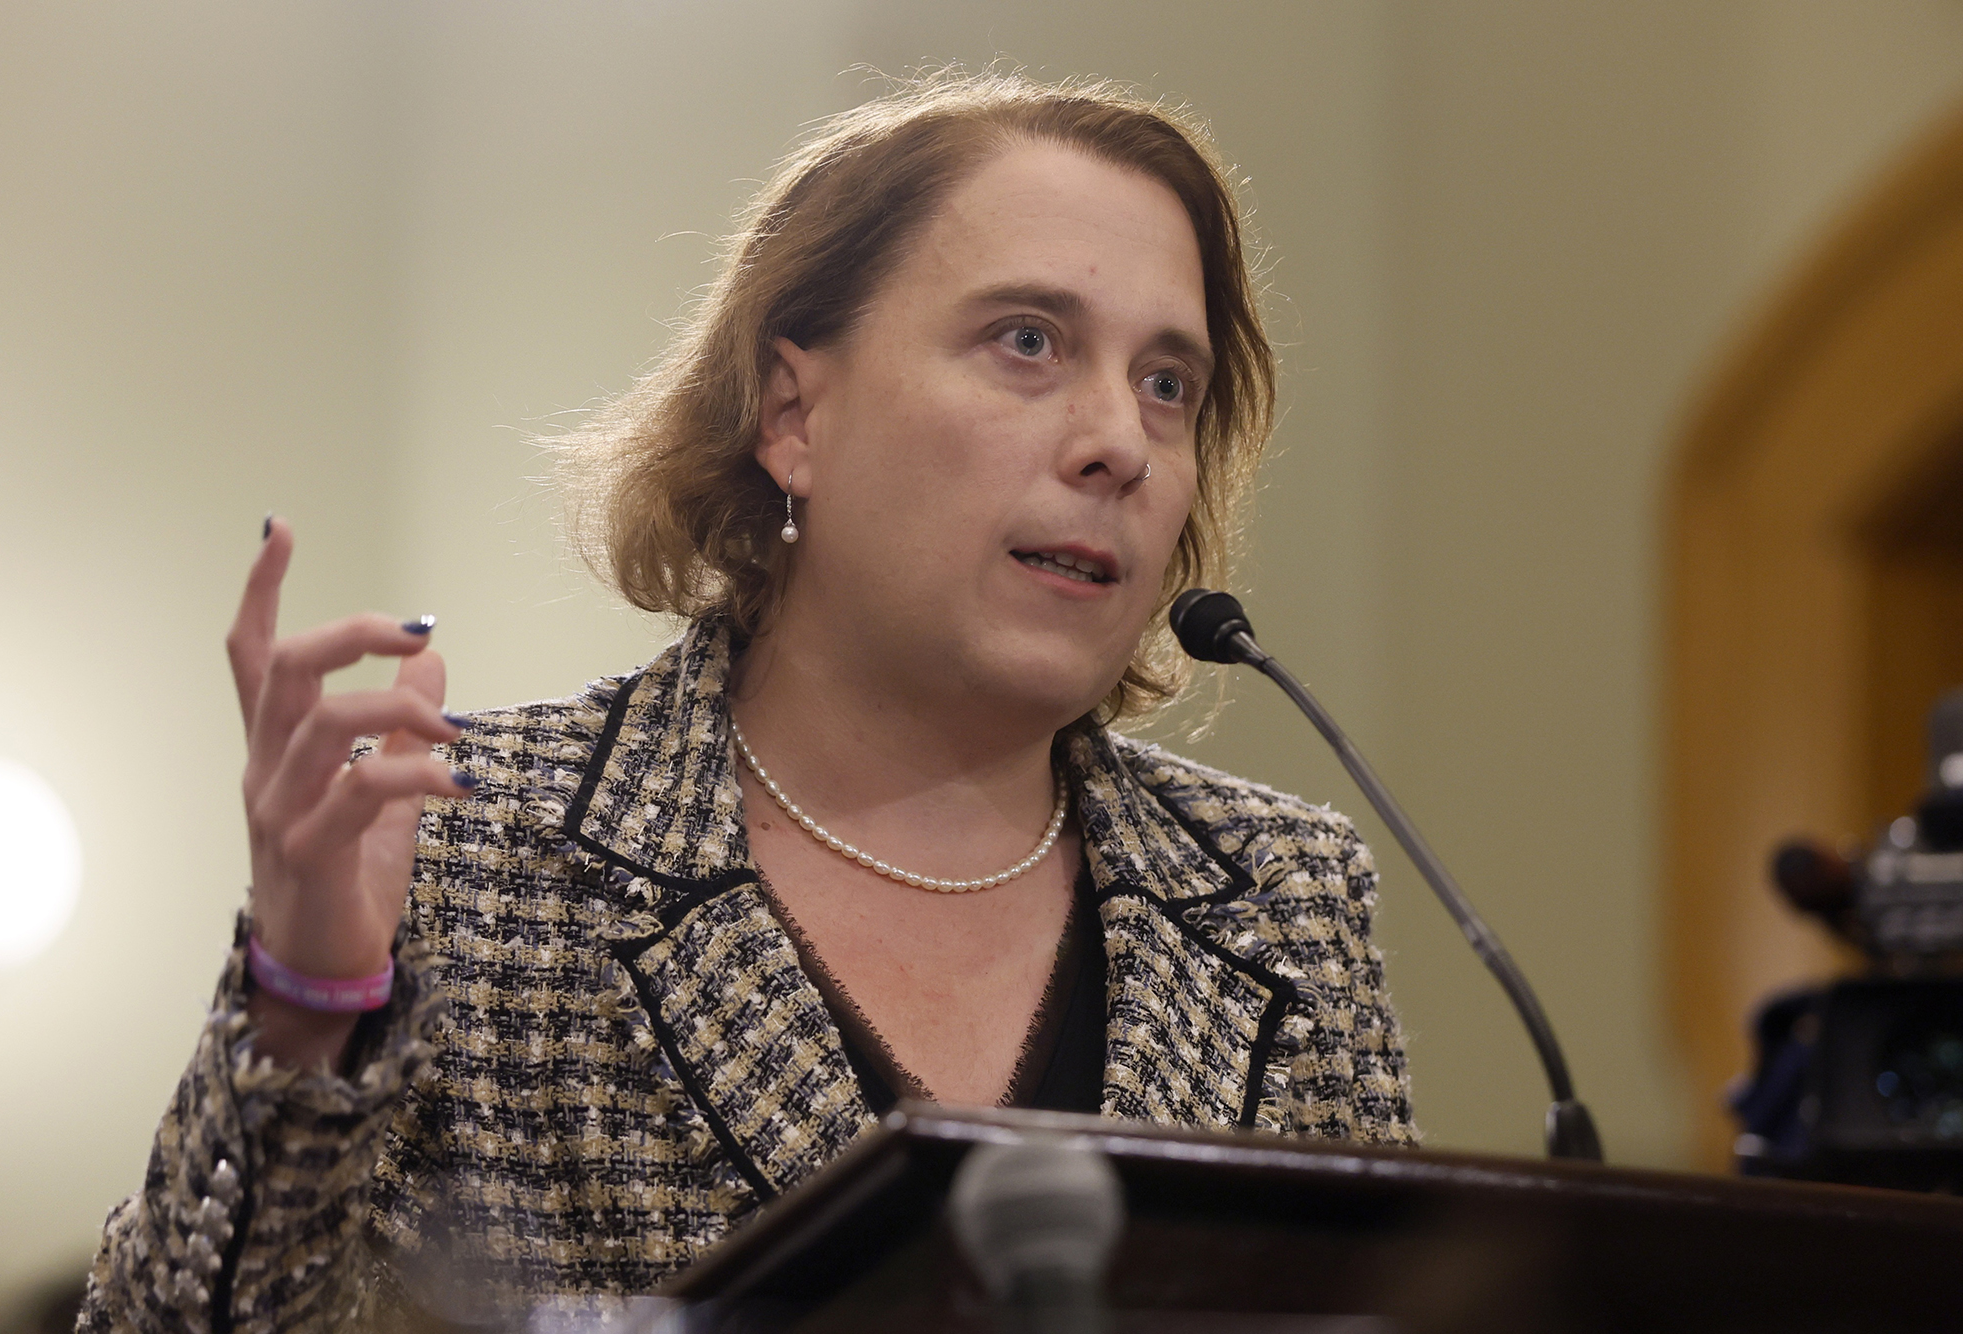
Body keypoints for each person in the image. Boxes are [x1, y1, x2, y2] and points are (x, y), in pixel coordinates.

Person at [77, 70, 1414, 1331]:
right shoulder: (475, 855)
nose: (1120, 439)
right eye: (1027, 340)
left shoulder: (1285, 901)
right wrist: (307, 1011)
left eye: (1167, 382)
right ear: (793, 413)